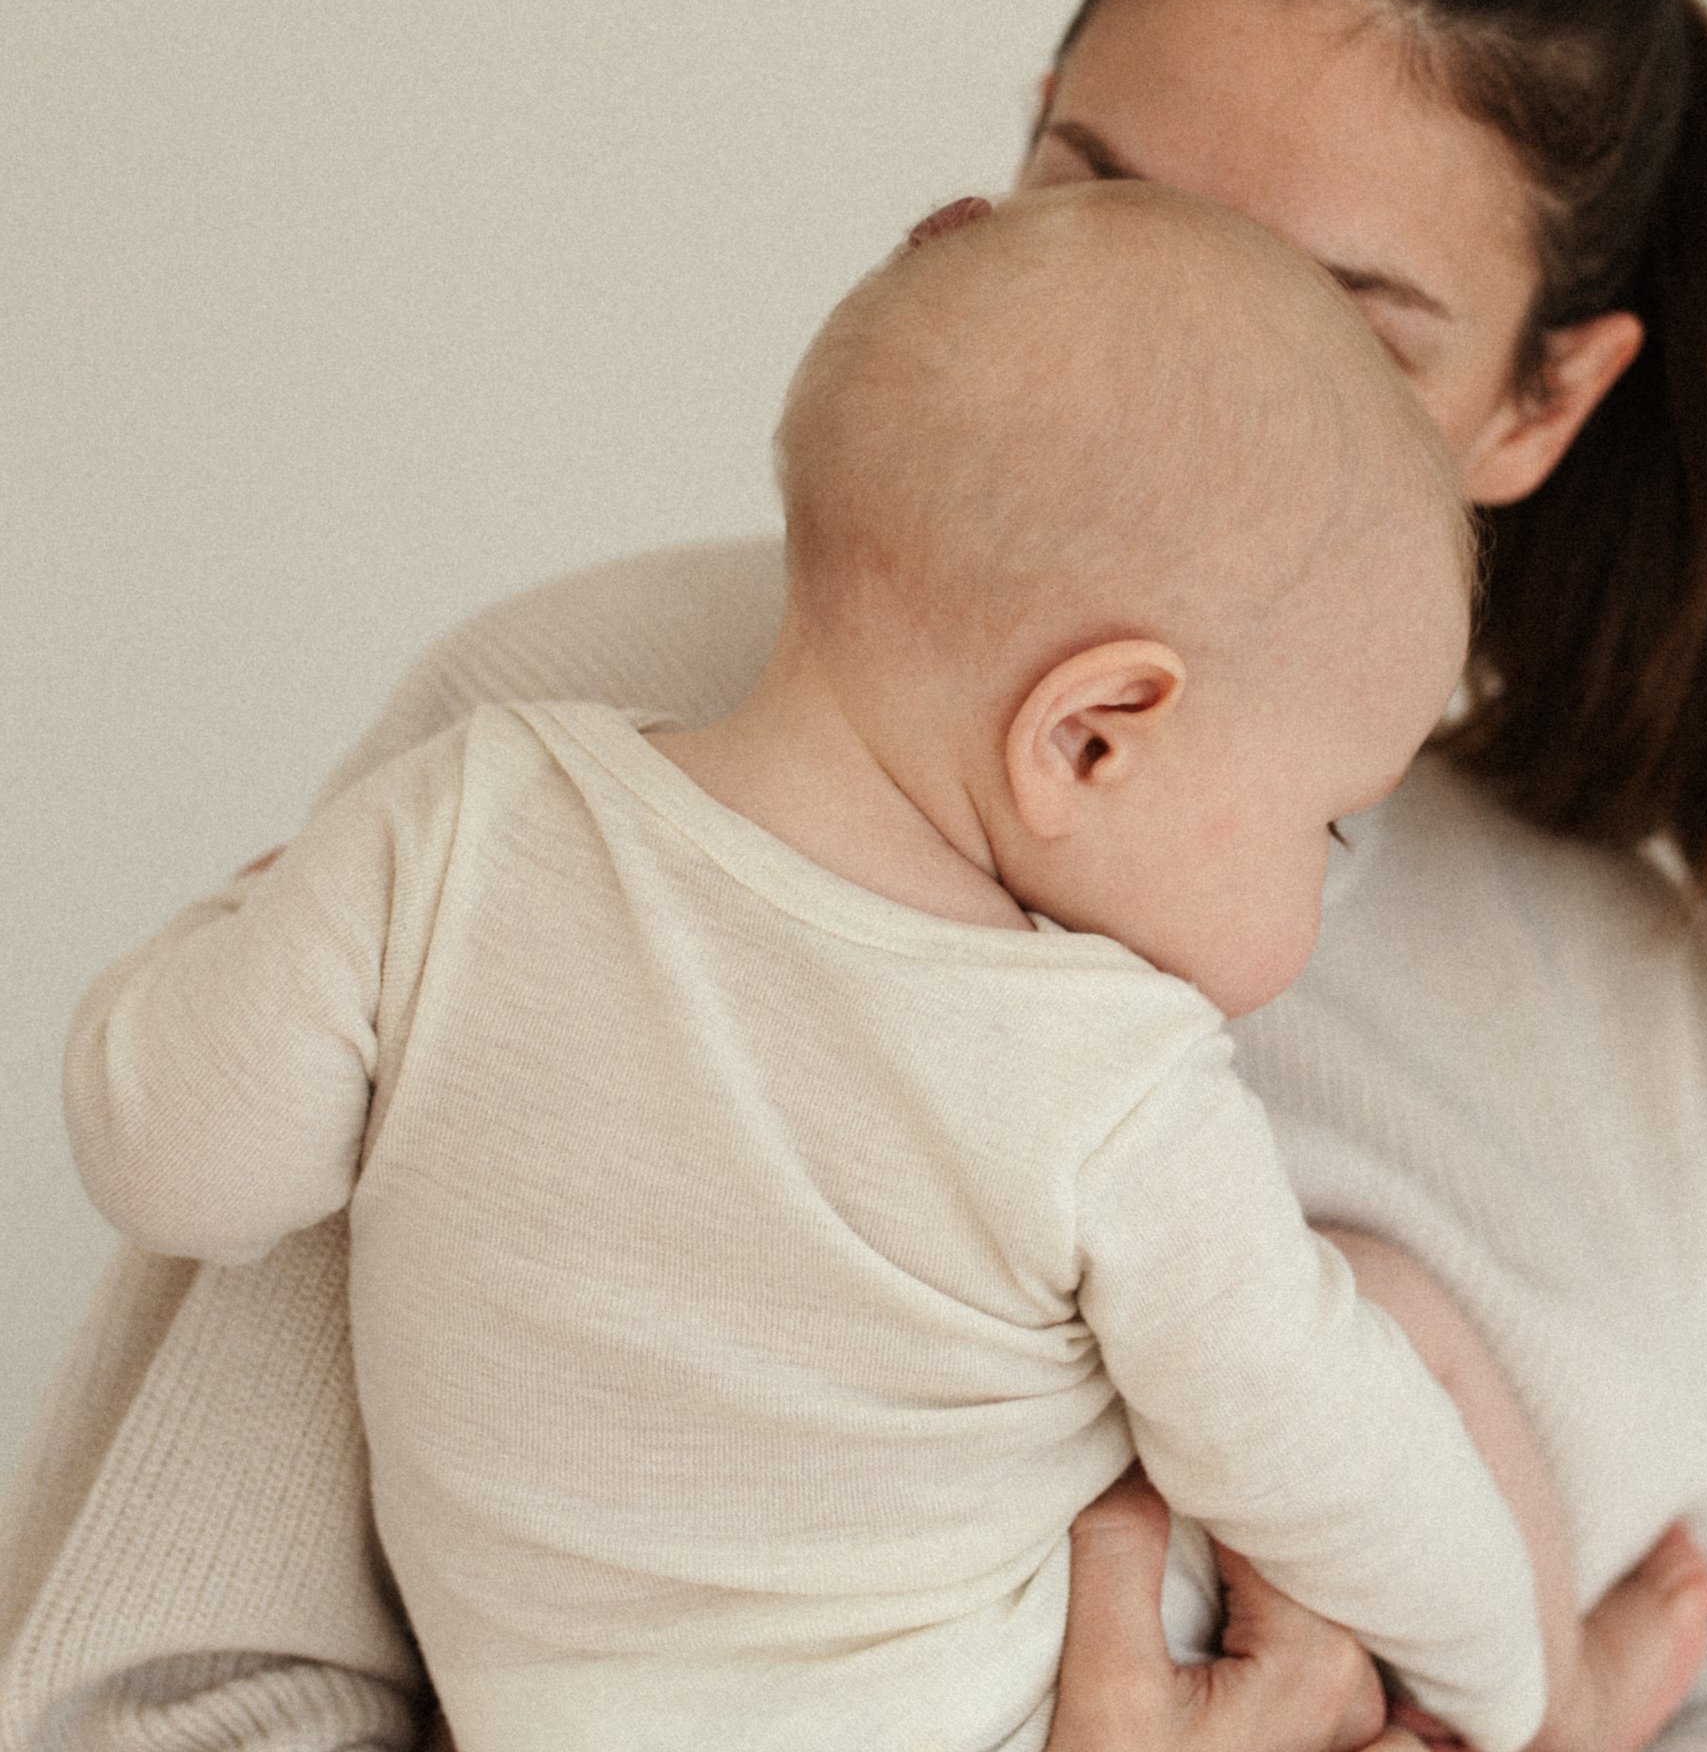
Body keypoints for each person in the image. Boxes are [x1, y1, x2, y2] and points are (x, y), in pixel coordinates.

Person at [0, 0, 1707, 1752]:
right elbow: (141, 1702)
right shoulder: (552, 747)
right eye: (1096, 200)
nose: (1175, 367)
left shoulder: (1607, 979)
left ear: (1546, 400)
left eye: (1337, 321)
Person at [62, 181, 1550, 1752]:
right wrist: (1500, 1691)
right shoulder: (1101, 1078)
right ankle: (1577, 1682)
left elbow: (170, 1170)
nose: (1325, 898)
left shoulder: (461, 820)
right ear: (1092, 736)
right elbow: (1336, 1460)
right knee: (1387, 1319)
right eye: (1325, 828)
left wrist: (240, 926)